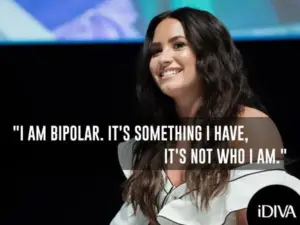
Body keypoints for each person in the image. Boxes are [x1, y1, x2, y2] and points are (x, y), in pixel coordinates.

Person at [110, 7, 300, 225]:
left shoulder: (248, 126)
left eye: (178, 45)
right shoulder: (155, 144)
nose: (163, 58)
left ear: (208, 52)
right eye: (155, 51)